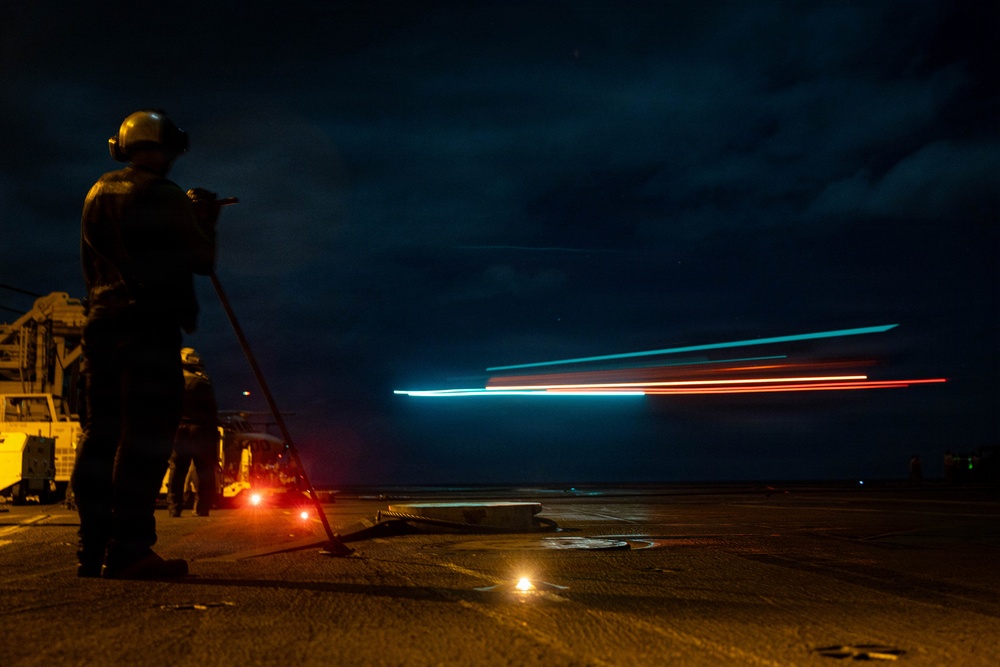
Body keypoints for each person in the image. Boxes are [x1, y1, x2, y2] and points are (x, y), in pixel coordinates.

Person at [71, 109, 218, 579]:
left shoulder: (97, 191)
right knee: (146, 438)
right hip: (149, 328)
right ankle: (131, 550)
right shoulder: (164, 193)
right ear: (168, 146)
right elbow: (202, 259)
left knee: (100, 436)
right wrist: (205, 219)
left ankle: (92, 547)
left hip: (101, 324)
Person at [167, 347, 219, 517]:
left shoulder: (172, 381)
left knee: (177, 470)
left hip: (178, 431)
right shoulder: (203, 382)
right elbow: (212, 412)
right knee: (203, 470)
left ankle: (174, 507)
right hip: (201, 431)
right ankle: (202, 507)